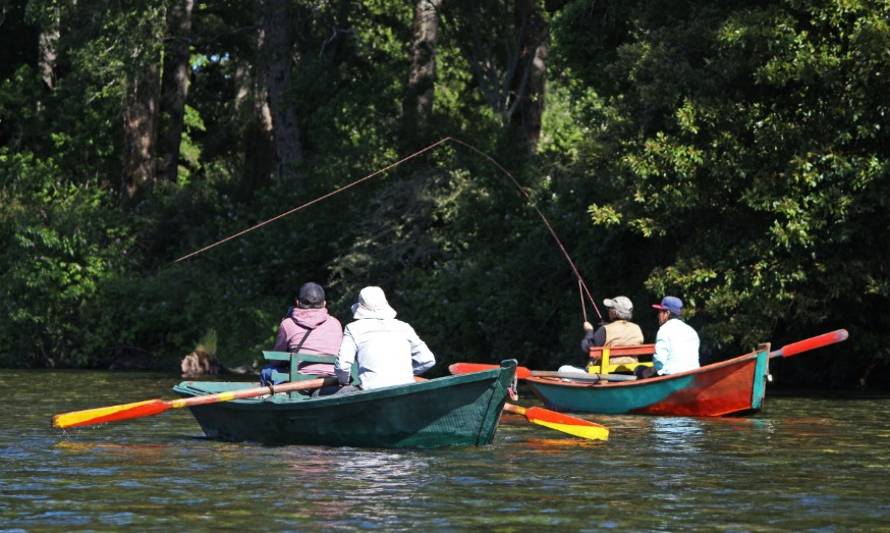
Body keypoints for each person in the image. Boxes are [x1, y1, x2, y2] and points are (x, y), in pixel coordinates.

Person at [335, 286, 435, 391]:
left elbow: (342, 367)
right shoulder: (404, 327)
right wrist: (405, 373)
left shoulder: (353, 328)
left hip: (371, 392)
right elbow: (428, 360)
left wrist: (344, 382)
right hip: (406, 390)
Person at [259, 282, 343, 386]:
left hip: (300, 381)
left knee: (267, 370)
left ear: (297, 302)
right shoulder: (335, 323)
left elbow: (276, 361)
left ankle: (269, 398)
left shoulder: (288, 324)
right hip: (332, 377)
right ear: (324, 303)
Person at [560, 296, 644, 374]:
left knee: (563, 369)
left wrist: (589, 331)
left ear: (615, 312)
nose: (608, 310)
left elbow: (586, 348)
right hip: (630, 372)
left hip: (604, 374)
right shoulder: (637, 328)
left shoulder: (605, 329)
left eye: (610, 308)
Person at [636, 295, 700, 379]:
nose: (658, 315)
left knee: (638, 370)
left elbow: (659, 362)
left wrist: (644, 373)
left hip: (671, 377)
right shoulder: (691, 331)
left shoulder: (664, 330)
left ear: (667, 313)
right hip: (694, 376)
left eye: (660, 312)